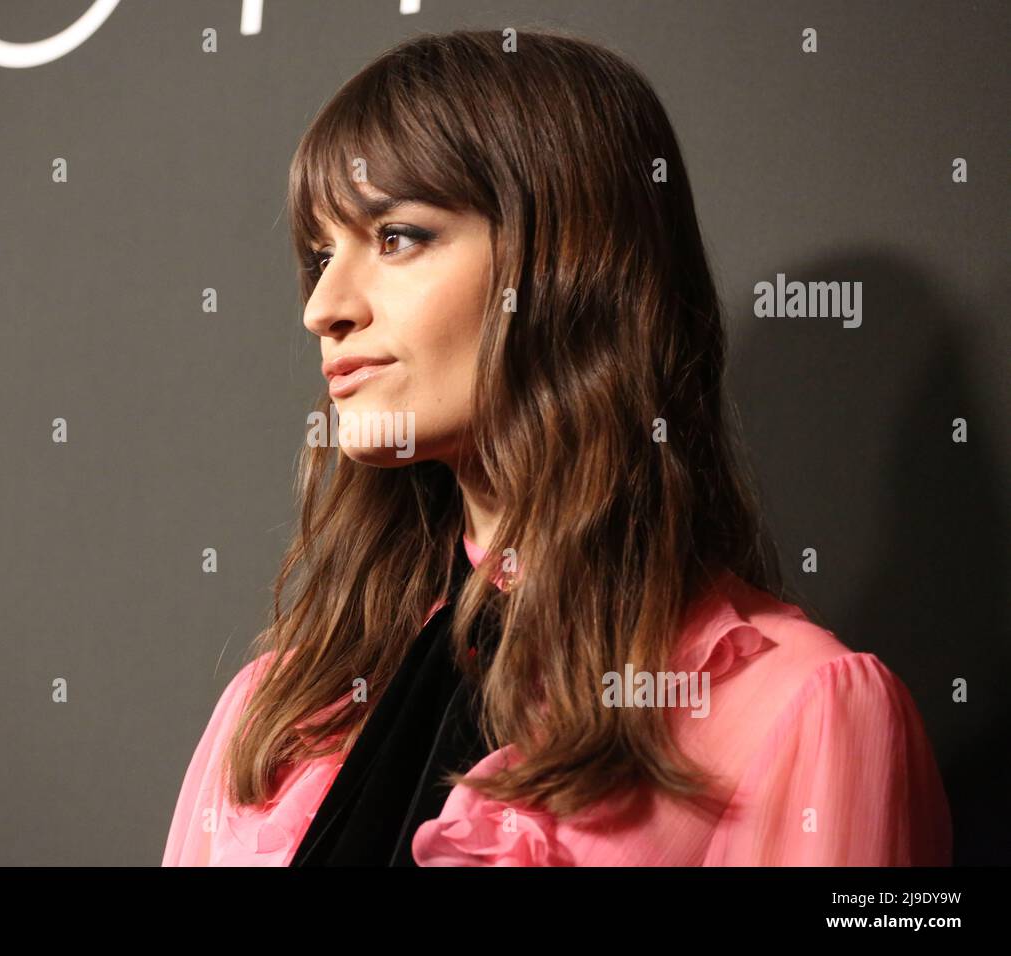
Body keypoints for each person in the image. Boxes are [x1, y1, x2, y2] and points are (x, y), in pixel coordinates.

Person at [161, 28, 952, 866]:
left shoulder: (801, 710)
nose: (323, 306)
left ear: (567, 263)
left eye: (396, 237)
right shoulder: (276, 719)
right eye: (321, 254)